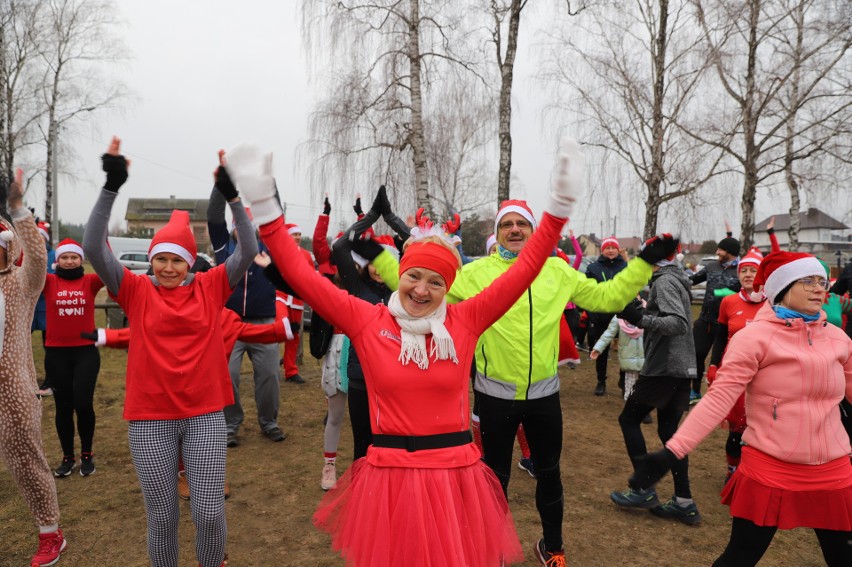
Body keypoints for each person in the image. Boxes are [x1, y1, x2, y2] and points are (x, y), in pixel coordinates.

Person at [230, 137, 583, 566]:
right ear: (400, 276)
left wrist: (557, 209)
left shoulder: (466, 321)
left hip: (456, 476)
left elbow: (527, 267)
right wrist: (266, 211)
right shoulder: (368, 320)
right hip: (390, 478)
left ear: (448, 287)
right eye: (414, 276)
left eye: (436, 282)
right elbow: (304, 280)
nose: (422, 289)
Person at [445, 204, 675, 562]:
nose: (515, 229)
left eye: (523, 223)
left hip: (544, 397)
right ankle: (493, 550)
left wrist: (644, 261)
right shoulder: (474, 273)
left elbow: (608, 297)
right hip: (494, 397)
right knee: (494, 479)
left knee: (550, 474)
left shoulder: (556, 270)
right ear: (498, 231)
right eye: (507, 224)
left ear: (535, 231)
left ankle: (553, 549)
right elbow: (426, 295)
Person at [83, 138, 256, 567]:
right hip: (149, 419)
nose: (167, 268)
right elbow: (92, 248)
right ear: (152, 260)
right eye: (160, 258)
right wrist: (111, 187)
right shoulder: (137, 291)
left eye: (177, 260)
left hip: (204, 415)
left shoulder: (210, 285)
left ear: (189, 263)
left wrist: (233, 197)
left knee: (209, 512)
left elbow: (249, 250)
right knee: (161, 517)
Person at [631, 251, 852, 567]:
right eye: (808, 280)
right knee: (740, 558)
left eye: (821, 280)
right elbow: (717, 399)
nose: (820, 288)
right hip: (770, 467)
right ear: (782, 287)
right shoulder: (754, 339)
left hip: (833, 469)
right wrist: (671, 453)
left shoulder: (838, 339)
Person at [0, 169, 67, 566]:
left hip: (13, 392)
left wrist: (17, 208)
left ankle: (50, 534)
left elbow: (39, 256)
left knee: (27, 462)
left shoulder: (21, 282)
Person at [608, 242, 700, 525]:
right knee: (670, 433)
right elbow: (670, 316)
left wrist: (642, 319)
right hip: (680, 367)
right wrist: (642, 311)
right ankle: (684, 502)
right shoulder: (674, 278)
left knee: (629, 419)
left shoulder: (666, 280)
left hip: (664, 368)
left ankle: (643, 489)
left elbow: (679, 323)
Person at [208, 171, 285, 446]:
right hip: (228, 323)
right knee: (227, 376)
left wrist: (268, 181)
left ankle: (269, 422)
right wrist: (222, 183)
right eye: (241, 226)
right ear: (233, 227)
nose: (245, 231)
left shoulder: (270, 246)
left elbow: (276, 212)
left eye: (251, 227)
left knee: (269, 378)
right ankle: (230, 425)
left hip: (263, 322)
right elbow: (214, 213)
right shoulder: (222, 246)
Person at [42, 238, 105, 478]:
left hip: (86, 352)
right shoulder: (48, 282)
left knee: (83, 404)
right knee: (63, 407)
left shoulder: (90, 281)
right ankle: (68, 457)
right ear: (57, 260)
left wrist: (101, 236)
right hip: (56, 354)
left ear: (81, 259)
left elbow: (104, 261)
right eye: (64, 257)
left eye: (74, 257)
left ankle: (87, 454)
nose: (69, 262)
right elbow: (31, 265)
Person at [706, 247, 766, 483]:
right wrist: (712, 365)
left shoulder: (773, 304)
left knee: (759, 427)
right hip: (734, 373)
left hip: (763, 375)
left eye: (754, 270)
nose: (749, 275)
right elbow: (720, 337)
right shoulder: (729, 302)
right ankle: (732, 472)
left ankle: (755, 472)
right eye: (745, 271)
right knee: (736, 428)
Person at [689, 230, 741, 403]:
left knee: (721, 361)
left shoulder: (742, 271)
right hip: (705, 320)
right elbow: (691, 280)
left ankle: (719, 396)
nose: (717, 252)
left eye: (720, 250)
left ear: (729, 252)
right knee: (696, 354)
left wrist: (725, 292)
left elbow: (745, 293)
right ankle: (695, 392)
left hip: (726, 323)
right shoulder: (711, 266)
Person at [585, 236, 628, 395]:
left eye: (613, 248)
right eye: (607, 248)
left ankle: (624, 380)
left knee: (625, 351)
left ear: (618, 250)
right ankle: (600, 381)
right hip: (600, 315)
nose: (610, 250)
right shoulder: (593, 268)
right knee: (601, 350)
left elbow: (631, 290)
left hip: (622, 315)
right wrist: (591, 313)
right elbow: (587, 292)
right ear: (602, 250)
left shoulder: (626, 267)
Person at [278, 222, 314, 384]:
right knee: (280, 328)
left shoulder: (306, 255)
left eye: (299, 234)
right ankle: (269, 364)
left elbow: (311, 277)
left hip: (297, 300)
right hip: (280, 296)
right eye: (295, 234)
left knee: (294, 336)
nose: (298, 237)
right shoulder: (278, 251)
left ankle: (291, 370)